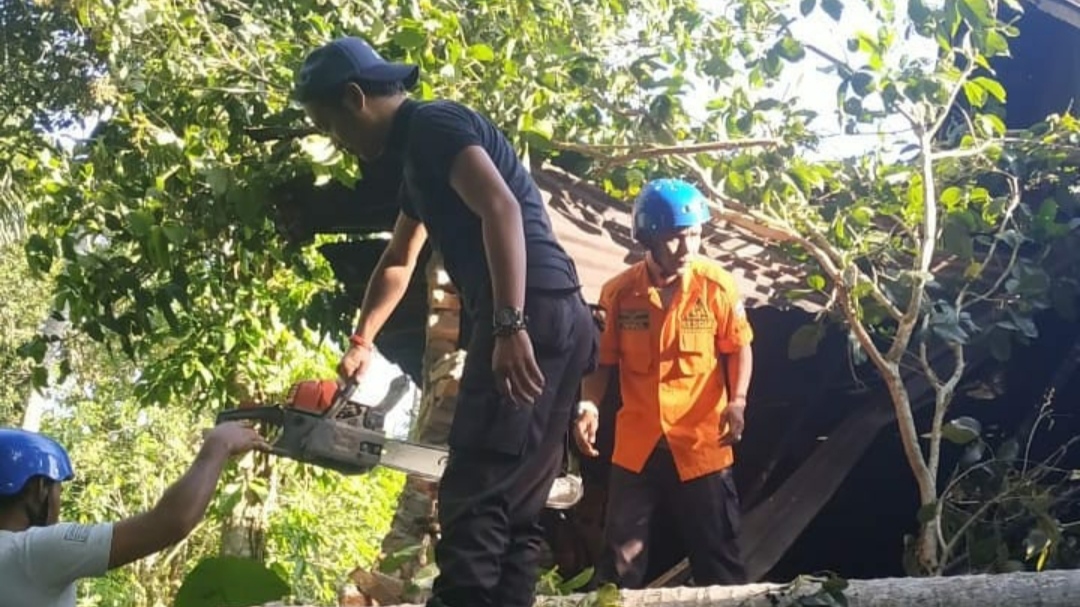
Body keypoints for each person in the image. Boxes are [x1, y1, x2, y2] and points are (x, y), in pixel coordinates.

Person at [291, 36, 598, 607]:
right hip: (562, 314)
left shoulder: (435, 126)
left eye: (328, 124)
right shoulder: (417, 161)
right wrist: (363, 340)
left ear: (355, 98)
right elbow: (399, 260)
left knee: (475, 493)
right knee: (517, 506)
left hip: (527, 311)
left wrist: (508, 325)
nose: (336, 140)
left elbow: (500, 207)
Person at [572, 178, 755, 588]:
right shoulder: (618, 293)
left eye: (694, 235)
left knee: (719, 559)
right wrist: (589, 405)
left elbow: (739, 347)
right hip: (637, 446)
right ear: (647, 237)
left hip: (701, 444)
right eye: (675, 238)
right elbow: (603, 360)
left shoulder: (717, 287)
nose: (688, 248)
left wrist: (738, 401)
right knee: (619, 564)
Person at [0, 422, 268, 606]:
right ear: (39, 489)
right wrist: (218, 445)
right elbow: (170, 522)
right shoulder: (33, 553)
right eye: (58, 489)